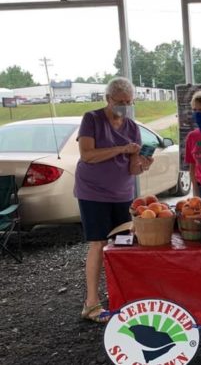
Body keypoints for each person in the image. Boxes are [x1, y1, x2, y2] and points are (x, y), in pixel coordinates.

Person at [74, 77, 153, 323]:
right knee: (98, 243)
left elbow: (132, 170)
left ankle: (121, 296)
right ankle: (91, 303)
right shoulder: (92, 119)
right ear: (108, 99)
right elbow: (87, 155)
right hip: (93, 192)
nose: (125, 106)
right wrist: (121, 149)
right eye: (120, 101)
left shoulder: (132, 126)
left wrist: (143, 165)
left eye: (129, 102)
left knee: (122, 243)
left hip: (122, 193)